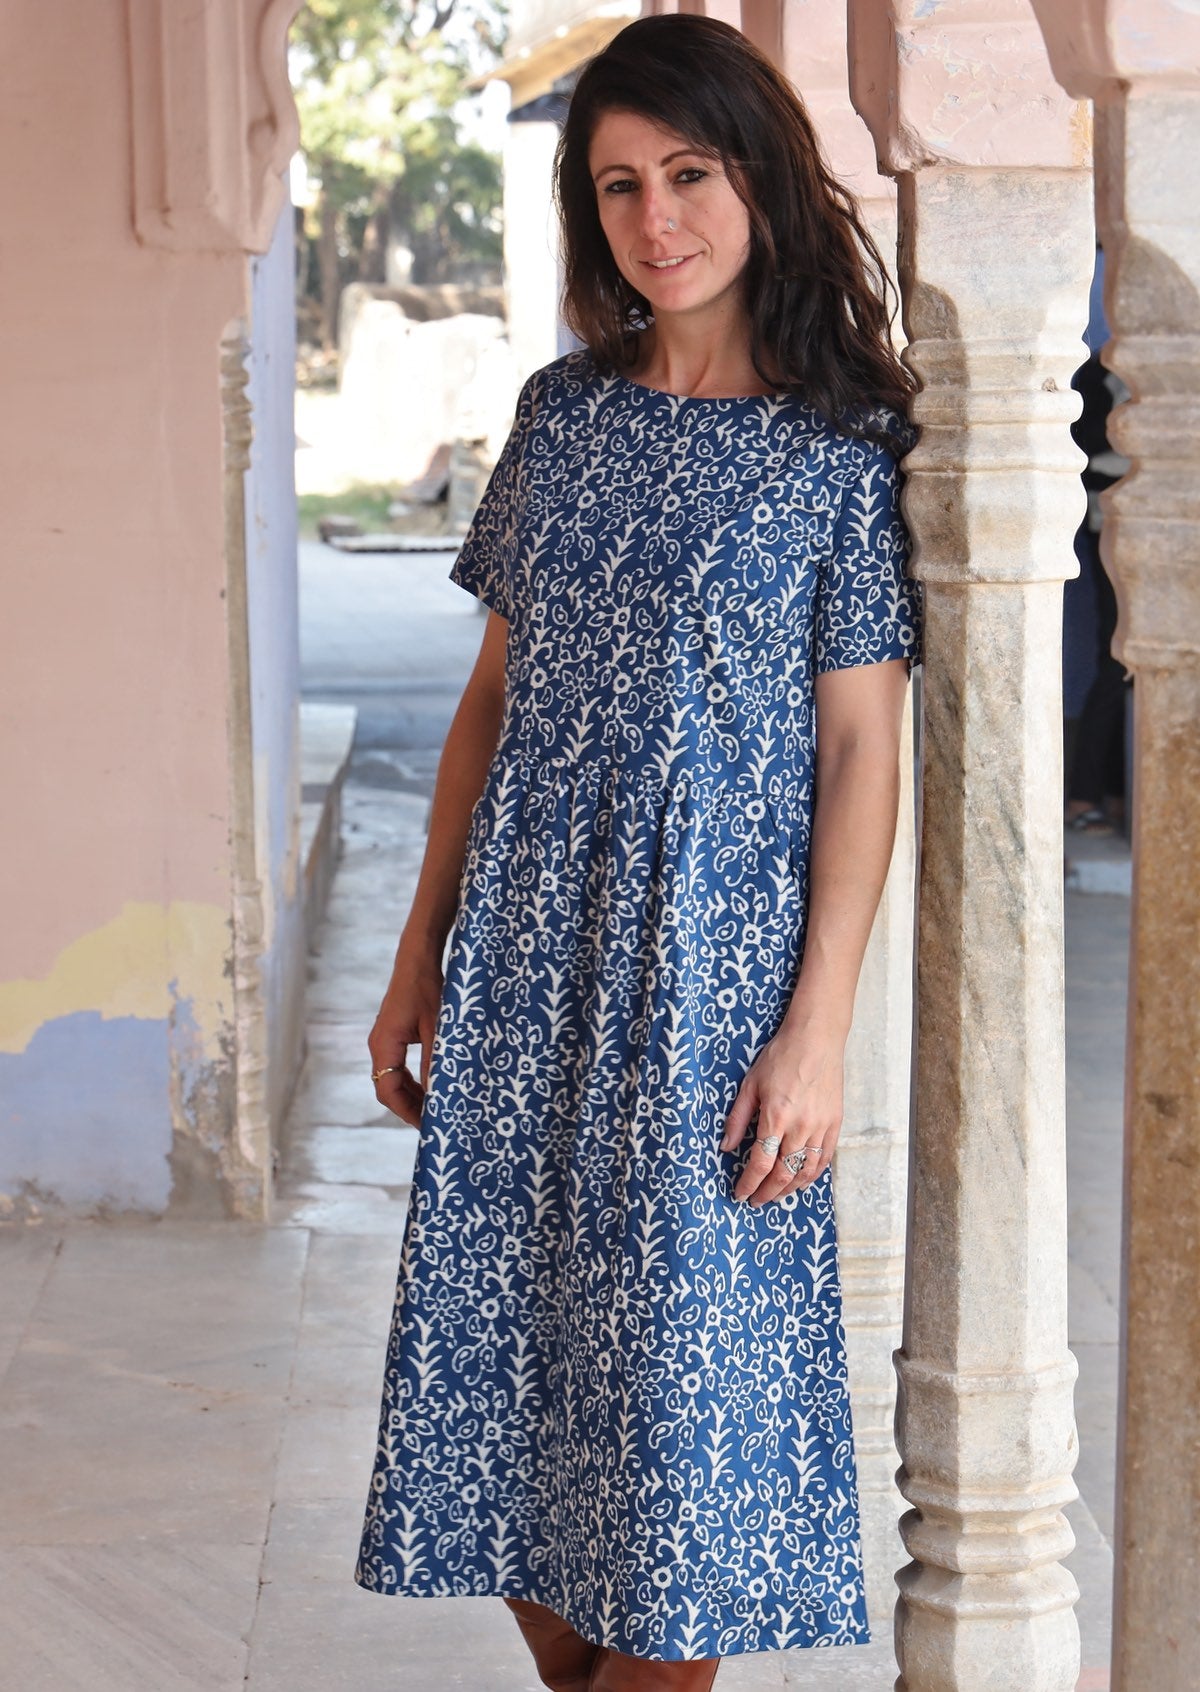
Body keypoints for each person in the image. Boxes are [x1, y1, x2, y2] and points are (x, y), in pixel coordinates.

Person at [354, 14, 922, 1689]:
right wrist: (417, 958)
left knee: (685, 1477)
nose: (655, 219)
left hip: (708, 998)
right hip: (527, 976)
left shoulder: (838, 450)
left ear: (759, 182)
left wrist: (817, 1027)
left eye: (688, 173)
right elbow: (489, 704)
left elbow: (861, 751)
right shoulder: (561, 414)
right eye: (617, 186)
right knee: (518, 1453)